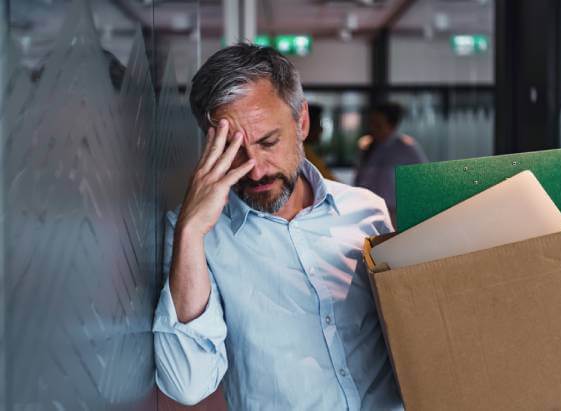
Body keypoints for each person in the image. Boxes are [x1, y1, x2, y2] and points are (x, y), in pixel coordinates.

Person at [152, 44, 403, 410]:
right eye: (233, 150)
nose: (255, 169)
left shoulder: (365, 211)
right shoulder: (195, 237)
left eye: (268, 142)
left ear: (301, 122)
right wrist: (190, 233)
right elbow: (187, 383)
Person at [354, 103, 428, 223]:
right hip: (365, 212)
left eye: (378, 125)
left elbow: (423, 181)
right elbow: (359, 180)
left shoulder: (406, 147)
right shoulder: (367, 146)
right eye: (372, 123)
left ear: (391, 125)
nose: (373, 128)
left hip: (394, 214)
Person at [303, 103, 337, 181]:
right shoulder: (304, 156)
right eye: (318, 124)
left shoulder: (308, 152)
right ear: (304, 125)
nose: (321, 129)